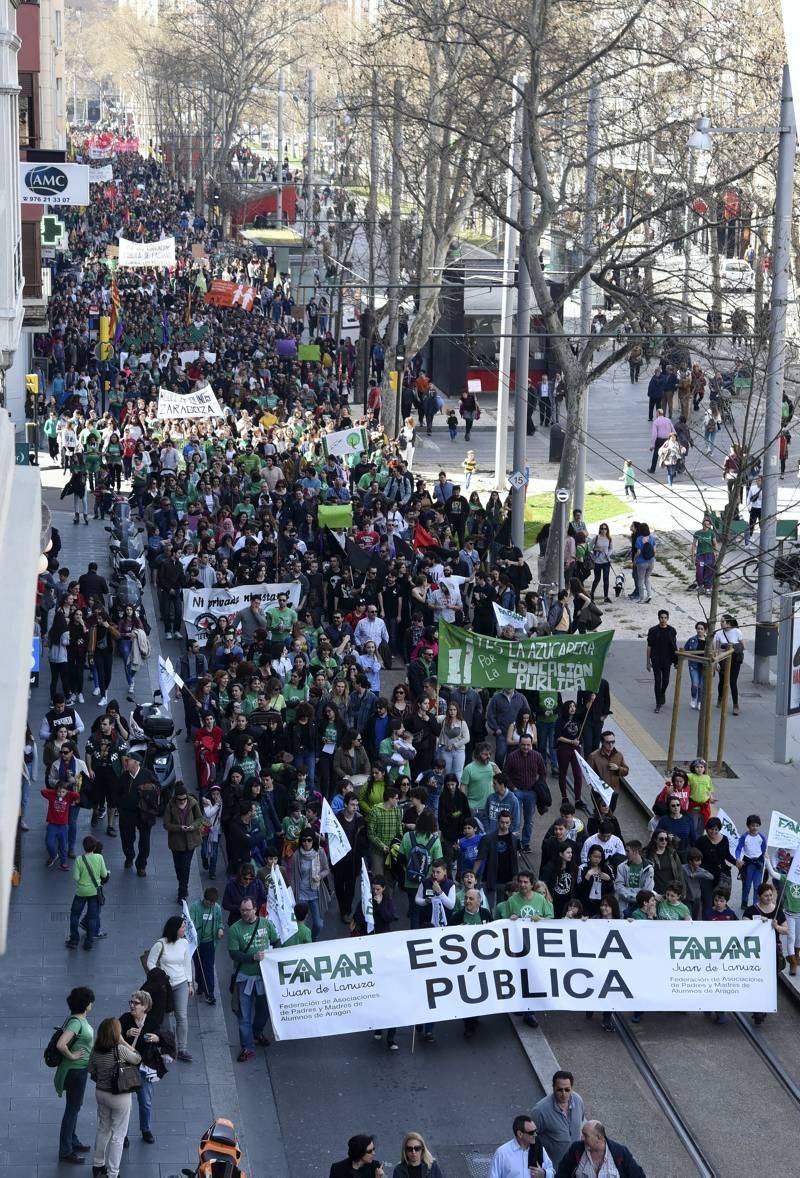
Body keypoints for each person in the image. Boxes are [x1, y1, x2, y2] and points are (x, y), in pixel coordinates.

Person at [88, 1017, 141, 1178]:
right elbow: (137, 1058)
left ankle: (97, 1165)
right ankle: (113, 1172)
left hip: (101, 1093)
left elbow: (91, 1070)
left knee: (104, 1128)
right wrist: (124, 1042)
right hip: (120, 1096)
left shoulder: (95, 1050)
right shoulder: (120, 1049)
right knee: (119, 1134)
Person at [227, 896, 279, 1060]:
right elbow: (233, 953)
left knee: (264, 1011)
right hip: (245, 978)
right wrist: (252, 958)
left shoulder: (265, 923)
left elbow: (276, 942)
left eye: (248, 910)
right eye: (242, 910)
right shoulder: (235, 929)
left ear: (255, 909)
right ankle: (247, 1046)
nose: (244, 913)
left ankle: (256, 1033)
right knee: (244, 1016)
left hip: (264, 978)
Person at [119, 990, 169, 1146]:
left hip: (145, 1066)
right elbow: (116, 1037)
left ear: (145, 1006)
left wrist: (157, 1038)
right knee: (125, 1104)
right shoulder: (125, 1019)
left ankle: (145, 1129)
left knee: (145, 1102)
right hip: (127, 1066)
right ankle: (123, 1133)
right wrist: (126, 1033)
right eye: (131, 1002)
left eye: (136, 1003)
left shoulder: (152, 1021)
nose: (132, 1005)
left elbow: (163, 1038)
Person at [54, 986, 95, 1165]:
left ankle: (73, 1140)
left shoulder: (76, 1020)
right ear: (86, 1005)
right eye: (90, 1002)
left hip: (79, 1070)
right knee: (72, 1109)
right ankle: (66, 1150)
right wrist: (72, 1056)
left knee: (75, 1107)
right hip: (75, 1070)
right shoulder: (76, 1022)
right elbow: (61, 1044)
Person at [145, 914, 194, 1062]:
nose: (184, 929)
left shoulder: (184, 943)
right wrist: (160, 975)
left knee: (182, 1016)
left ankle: (183, 1048)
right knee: (165, 1017)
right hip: (164, 986)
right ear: (175, 929)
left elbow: (187, 963)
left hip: (181, 983)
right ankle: (169, 1046)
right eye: (182, 927)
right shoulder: (160, 944)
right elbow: (150, 963)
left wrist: (190, 983)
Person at [744, 881, 788, 1023]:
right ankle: (757, 1009)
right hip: (755, 953)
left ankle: (762, 1008)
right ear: (759, 896)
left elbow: (786, 930)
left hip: (772, 952)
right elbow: (742, 926)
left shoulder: (777, 911)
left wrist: (776, 926)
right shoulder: (751, 910)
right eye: (766, 896)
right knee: (756, 980)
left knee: (768, 981)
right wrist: (757, 922)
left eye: (770, 895)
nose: (769, 898)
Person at [533, 1072, 586, 1169]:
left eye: (567, 1090)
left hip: (575, 1166)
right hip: (553, 1169)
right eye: (559, 1090)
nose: (563, 1094)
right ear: (553, 1087)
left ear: (572, 1087)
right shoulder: (540, 1111)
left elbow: (579, 1125)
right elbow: (530, 1138)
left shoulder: (578, 1101)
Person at [555, 1121, 645, 1178]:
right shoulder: (576, 1149)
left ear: (599, 1138)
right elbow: (562, 1173)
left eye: (586, 1135)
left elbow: (638, 1175)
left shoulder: (620, 1152)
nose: (582, 1138)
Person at [66, 835, 109, 952]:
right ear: (94, 847)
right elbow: (104, 874)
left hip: (81, 892)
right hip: (94, 892)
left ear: (84, 847)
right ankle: (88, 943)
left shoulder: (79, 859)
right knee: (92, 918)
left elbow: (76, 877)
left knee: (75, 915)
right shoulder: (99, 857)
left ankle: (74, 940)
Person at [163, 781, 204, 903]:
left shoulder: (193, 803)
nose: (182, 801)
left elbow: (200, 818)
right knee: (178, 867)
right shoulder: (170, 806)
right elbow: (166, 824)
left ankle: (182, 892)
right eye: (179, 799)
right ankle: (182, 884)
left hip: (190, 841)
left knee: (185, 866)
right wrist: (179, 828)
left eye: (184, 799)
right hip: (176, 843)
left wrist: (193, 826)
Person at [289, 828, 332, 939]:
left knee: (318, 924)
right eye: (303, 840)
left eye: (309, 840)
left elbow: (327, 869)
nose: (306, 843)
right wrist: (293, 894)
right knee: (302, 924)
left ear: (313, 840)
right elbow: (293, 877)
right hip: (301, 893)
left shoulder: (320, 852)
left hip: (315, 893)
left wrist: (319, 876)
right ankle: (305, 941)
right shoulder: (297, 855)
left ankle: (313, 938)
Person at [190, 886, 225, 1005]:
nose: (209, 905)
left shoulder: (216, 908)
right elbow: (190, 923)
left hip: (209, 942)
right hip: (197, 942)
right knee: (198, 965)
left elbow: (220, 922)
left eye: (212, 903)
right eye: (208, 902)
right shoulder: (195, 907)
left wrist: (220, 929)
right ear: (204, 899)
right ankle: (200, 984)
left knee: (209, 968)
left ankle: (210, 993)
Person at [489, 1114, 554, 1178]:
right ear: (520, 1134)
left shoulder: (539, 1148)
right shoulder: (502, 1153)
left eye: (535, 1131)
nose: (535, 1134)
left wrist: (544, 1174)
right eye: (531, 1132)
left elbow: (551, 1171)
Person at [713, 613, 745, 715]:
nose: (721, 623)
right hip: (723, 659)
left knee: (732, 682)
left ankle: (736, 705)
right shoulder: (719, 633)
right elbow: (717, 649)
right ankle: (720, 697)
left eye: (722, 621)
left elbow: (743, 646)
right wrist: (716, 662)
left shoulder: (737, 631)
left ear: (728, 622)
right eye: (720, 621)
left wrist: (731, 647)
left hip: (735, 659)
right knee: (722, 681)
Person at [646, 609, 677, 713]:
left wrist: (676, 661)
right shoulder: (653, 630)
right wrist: (647, 662)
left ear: (668, 619)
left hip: (667, 660)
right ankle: (658, 703)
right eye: (661, 618)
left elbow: (674, 646)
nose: (663, 620)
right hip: (656, 660)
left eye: (665, 618)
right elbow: (649, 646)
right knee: (657, 681)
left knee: (666, 680)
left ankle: (662, 693)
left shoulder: (672, 631)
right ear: (658, 618)